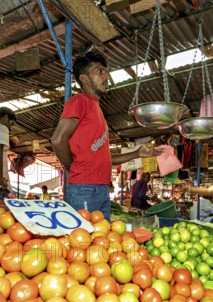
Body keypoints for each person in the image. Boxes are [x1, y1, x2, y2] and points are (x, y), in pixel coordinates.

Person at [50, 51, 161, 220]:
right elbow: (58, 140)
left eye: (106, 71)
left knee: (101, 242)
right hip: (84, 189)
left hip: (101, 189)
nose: (106, 75)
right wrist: (71, 167)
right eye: (99, 71)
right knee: (83, 241)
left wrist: (137, 153)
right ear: (85, 78)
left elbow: (105, 157)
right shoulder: (80, 101)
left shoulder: (98, 110)